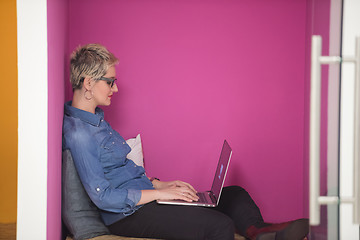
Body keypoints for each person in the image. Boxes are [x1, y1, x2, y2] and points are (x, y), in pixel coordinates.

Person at [63, 43, 309, 240]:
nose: (115, 89)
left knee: (233, 194)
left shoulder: (97, 121)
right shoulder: (80, 134)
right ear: (88, 83)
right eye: (110, 81)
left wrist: (161, 185)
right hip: (127, 215)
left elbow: (120, 171)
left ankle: (258, 232)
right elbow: (104, 198)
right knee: (219, 226)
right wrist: (159, 193)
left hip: (146, 198)